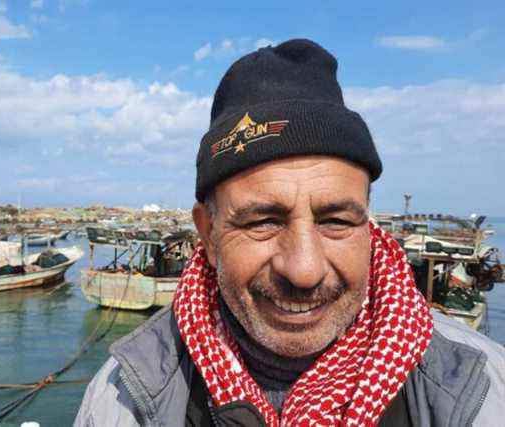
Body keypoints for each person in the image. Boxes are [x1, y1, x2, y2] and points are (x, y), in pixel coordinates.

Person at [75, 39, 505, 426]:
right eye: (263, 221)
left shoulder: (479, 389)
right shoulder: (121, 402)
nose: (303, 270)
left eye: (336, 221)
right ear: (207, 235)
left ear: (367, 222)